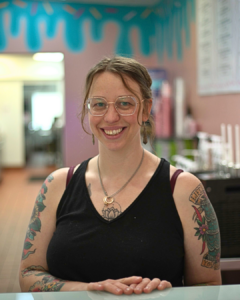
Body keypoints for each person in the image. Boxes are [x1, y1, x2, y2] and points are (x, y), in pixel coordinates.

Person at [19, 56, 221, 295]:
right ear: (88, 109)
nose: (111, 116)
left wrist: (169, 292)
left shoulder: (184, 190)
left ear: (145, 109)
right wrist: (89, 290)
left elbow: (209, 286)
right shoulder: (57, 186)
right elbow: (29, 274)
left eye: (125, 103)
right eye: (99, 104)